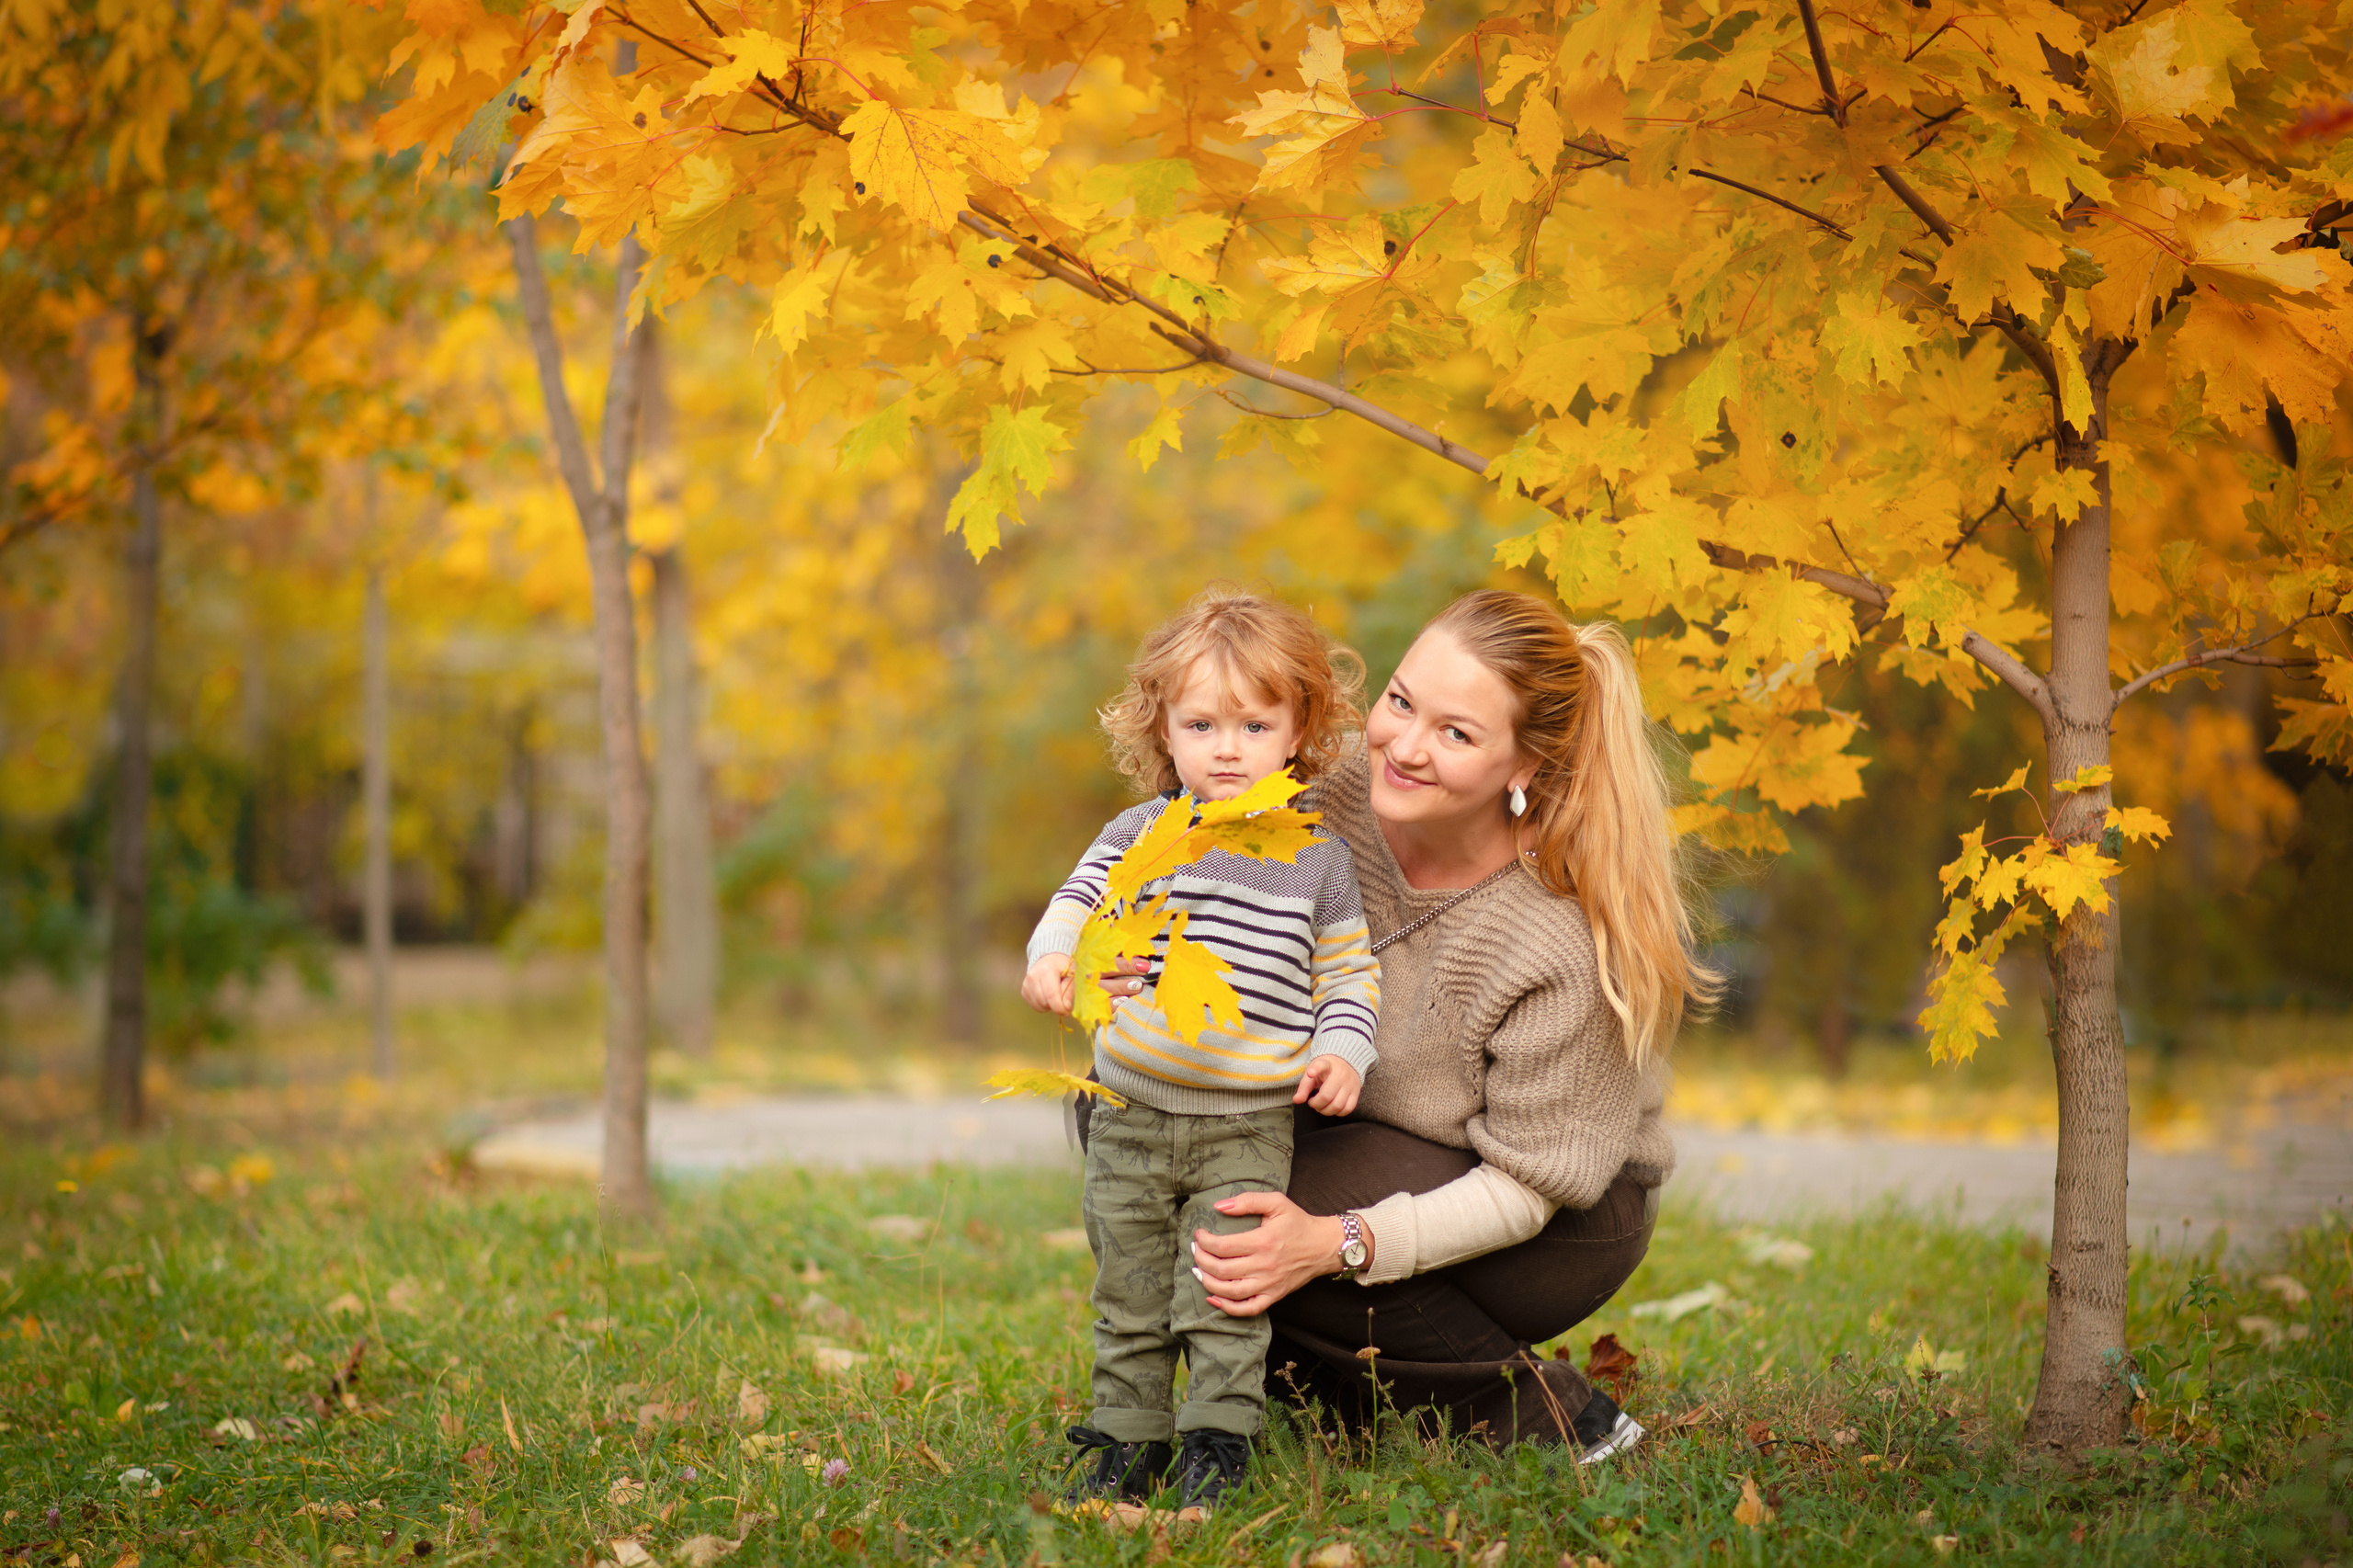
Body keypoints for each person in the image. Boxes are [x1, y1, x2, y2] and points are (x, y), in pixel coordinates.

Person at [1083, 590, 1717, 1463]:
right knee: (1132, 1114)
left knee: (1266, 1208)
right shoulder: (1331, 803)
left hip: (1550, 1212)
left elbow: (1528, 1190)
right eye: (1402, 703)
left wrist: (1335, 1243)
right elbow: (1182, 857)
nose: (1406, 748)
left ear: (1524, 765)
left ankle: (1548, 1416)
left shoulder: (1556, 941)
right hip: (1361, 1125)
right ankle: (1322, 1382)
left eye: (1457, 734)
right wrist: (1124, 956)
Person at [1022, 587, 1381, 1513]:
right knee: (1131, 1285)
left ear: (1297, 730)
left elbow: (1348, 976)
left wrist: (1344, 1048)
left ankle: (1217, 1441)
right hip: (1131, 1110)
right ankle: (1123, 1437)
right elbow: (1075, 902)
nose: (1226, 746)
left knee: (1224, 1293)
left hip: (1245, 1125)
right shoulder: (1143, 836)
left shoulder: (1318, 858)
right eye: (1201, 722)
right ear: (1164, 731)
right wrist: (1055, 956)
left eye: (1253, 724)